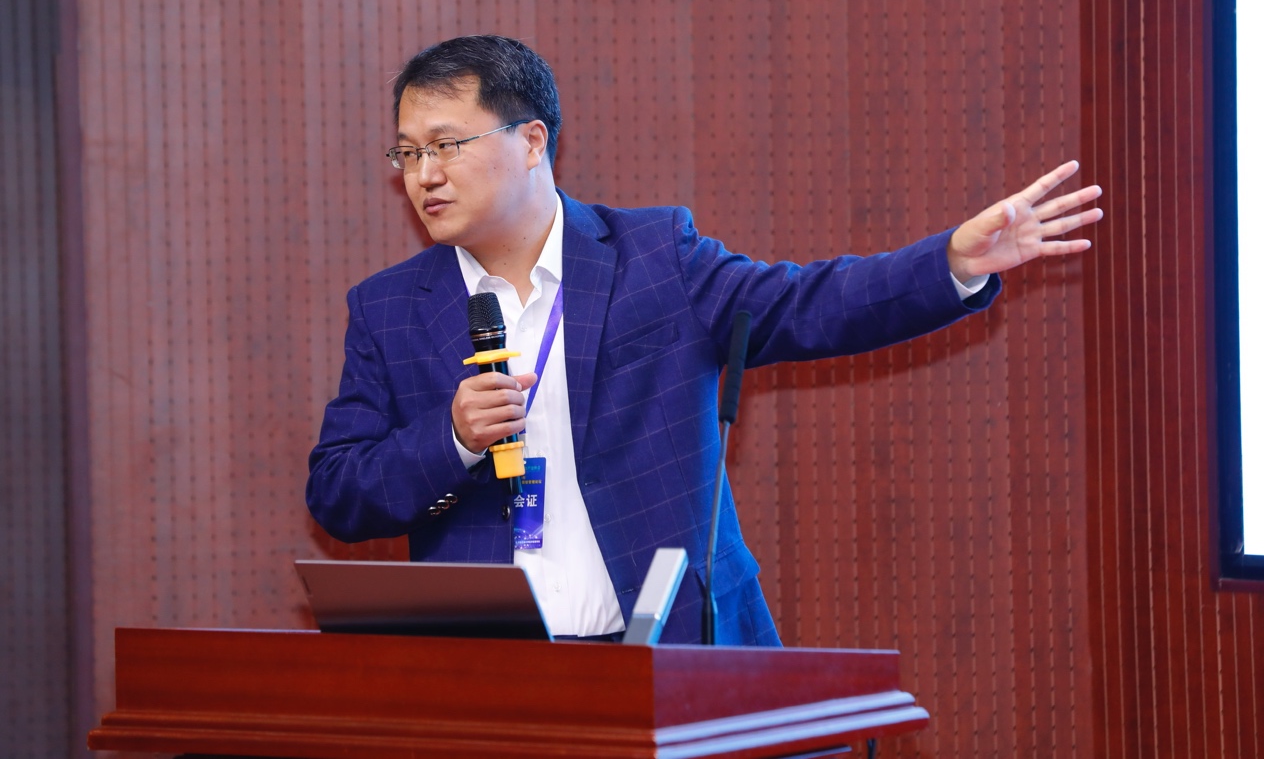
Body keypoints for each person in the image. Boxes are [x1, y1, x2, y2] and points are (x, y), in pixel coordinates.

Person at [306, 34, 1103, 645]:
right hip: (490, 674)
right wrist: (450, 438)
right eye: (408, 153)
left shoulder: (654, 258)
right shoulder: (389, 308)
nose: (423, 175)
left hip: (669, 653)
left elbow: (807, 304)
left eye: (445, 145)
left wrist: (951, 263)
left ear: (533, 141)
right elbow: (337, 493)